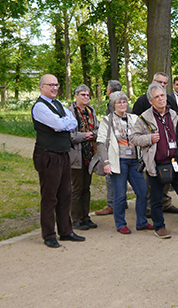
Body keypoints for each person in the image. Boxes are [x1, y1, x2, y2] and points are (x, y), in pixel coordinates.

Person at [129, 83, 178, 239]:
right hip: (156, 165)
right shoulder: (144, 118)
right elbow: (133, 138)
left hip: (176, 163)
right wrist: (149, 138)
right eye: (157, 97)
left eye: (162, 95)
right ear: (150, 101)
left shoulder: (175, 115)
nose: (161, 99)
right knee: (156, 199)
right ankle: (159, 227)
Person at [32, 74, 86, 248]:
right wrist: (66, 122)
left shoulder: (59, 104)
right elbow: (59, 125)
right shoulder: (40, 107)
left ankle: (66, 231)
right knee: (50, 197)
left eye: (56, 84)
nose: (55, 88)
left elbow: (73, 122)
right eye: (50, 85)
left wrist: (66, 122)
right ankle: (48, 234)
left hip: (63, 154)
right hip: (48, 155)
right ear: (42, 87)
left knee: (65, 194)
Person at [96, 91, 153, 233]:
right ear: (113, 105)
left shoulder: (134, 118)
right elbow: (101, 143)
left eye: (124, 102)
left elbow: (144, 133)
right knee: (120, 194)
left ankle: (142, 222)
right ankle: (120, 224)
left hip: (134, 161)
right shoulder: (107, 120)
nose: (122, 105)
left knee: (142, 190)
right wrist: (106, 163)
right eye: (119, 102)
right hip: (118, 161)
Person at [131, 72, 178, 214]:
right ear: (153, 81)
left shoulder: (170, 99)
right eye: (160, 82)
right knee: (150, 180)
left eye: (165, 83)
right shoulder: (142, 101)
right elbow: (134, 126)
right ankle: (148, 207)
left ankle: (165, 203)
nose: (162, 85)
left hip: (168, 150)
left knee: (167, 178)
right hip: (150, 149)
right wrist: (148, 138)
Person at [69, 85, 99, 231]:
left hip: (89, 154)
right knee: (77, 188)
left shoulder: (90, 111)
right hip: (76, 155)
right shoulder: (70, 111)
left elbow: (98, 129)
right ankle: (75, 219)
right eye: (83, 95)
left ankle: (85, 217)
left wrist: (92, 134)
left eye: (87, 95)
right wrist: (85, 136)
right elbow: (70, 135)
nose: (86, 97)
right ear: (76, 96)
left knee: (86, 188)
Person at [96, 80, 123, 217]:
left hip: (116, 146)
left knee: (111, 176)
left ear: (109, 90)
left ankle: (112, 204)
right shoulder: (122, 99)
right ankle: (120, 202)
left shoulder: (115, 102)